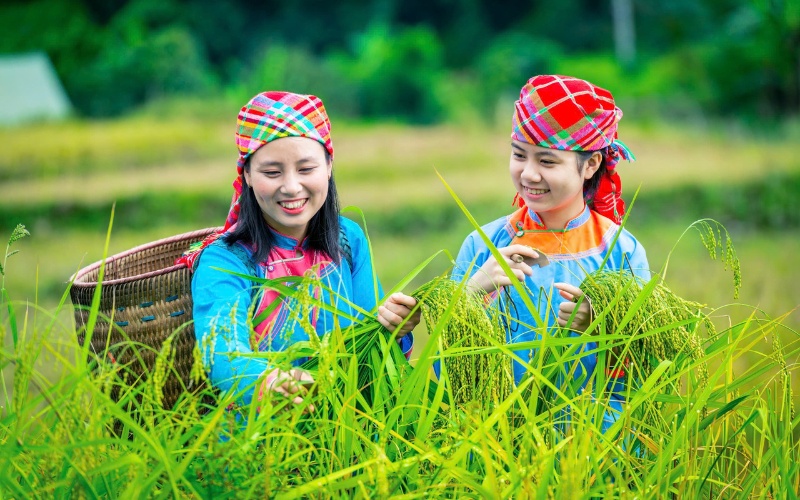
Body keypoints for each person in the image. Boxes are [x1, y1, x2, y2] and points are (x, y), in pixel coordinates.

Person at [181, 91, 420, 410]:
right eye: (272, 172)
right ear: (247, 174)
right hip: (261, 443)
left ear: (329, 165)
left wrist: (395, 327)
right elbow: (222, 357)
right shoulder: (226, 260)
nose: (292, 187)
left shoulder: (347, 239)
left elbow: (371, 346)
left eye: (306, 169)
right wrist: (268, 381)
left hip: (347, 436)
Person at [452, 74, 650, 432]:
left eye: (547, 161)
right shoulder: (483, 244)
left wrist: (601, 325)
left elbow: (649, 363)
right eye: (518, 156)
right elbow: (447, 362)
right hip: (495, 443)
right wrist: (472, 291)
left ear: (590, 165)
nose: (528, 174)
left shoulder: (622, 251)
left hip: (595, 446)